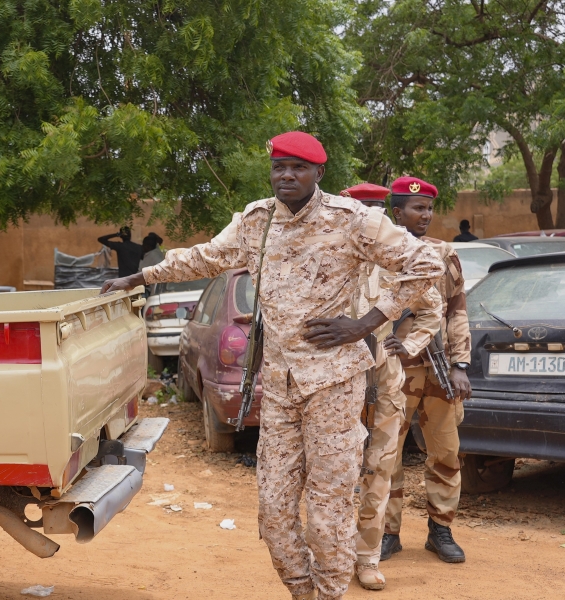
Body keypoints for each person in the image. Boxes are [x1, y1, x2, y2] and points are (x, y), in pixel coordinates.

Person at [101, 132, 443, 600]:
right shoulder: (256, 221)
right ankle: (304, 592)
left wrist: (365, 323)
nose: (287, 175)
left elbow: (425, 263)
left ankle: (329, 594)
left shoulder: (353, 220)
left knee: (329, 512)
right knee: (274, 514)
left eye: (299, 168)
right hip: (279, 388)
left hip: (334, 384)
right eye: (280, 166)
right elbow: (207, 255)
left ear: (319, 173)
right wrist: (141, 275)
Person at [342, 183, 444, 591]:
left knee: (381, 467)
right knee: (331, 471)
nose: (369, 219)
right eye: (362, 210)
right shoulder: (333, 255)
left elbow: (431, 309)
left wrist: (408, 347)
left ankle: (366, 557)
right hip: (336, 378)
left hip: (385, 378)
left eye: (374, 212)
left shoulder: (400, 257)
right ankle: (331, 553)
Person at [380, 176, 473, 566]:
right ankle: (387, 533)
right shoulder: (378, 252)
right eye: (418, 209)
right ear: (397, 212)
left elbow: (456, 312)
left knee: (445, 452)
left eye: (430, 209)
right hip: (391, 372)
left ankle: (441, 530)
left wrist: (460, 365)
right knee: (385, 455)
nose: (426, 215)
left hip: (437, 372)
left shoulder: (444, 253)